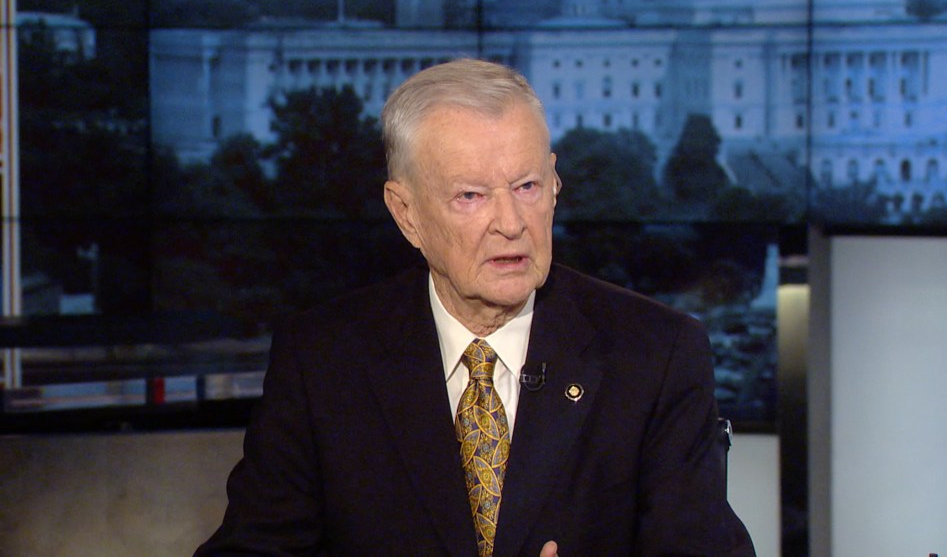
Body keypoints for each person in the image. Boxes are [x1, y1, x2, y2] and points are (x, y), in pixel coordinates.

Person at [196, 58, 754, 556]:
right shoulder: (323, 361)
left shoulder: (656, 355)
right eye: (470, 196)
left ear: (555, 186)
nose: (510, 223)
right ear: (406, 213)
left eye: (527, 186)